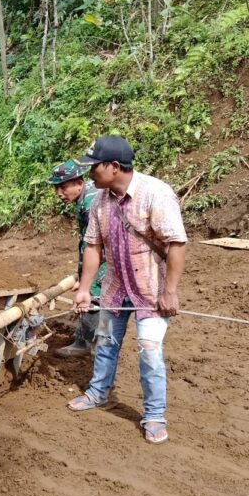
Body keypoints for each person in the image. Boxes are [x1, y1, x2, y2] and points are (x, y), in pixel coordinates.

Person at [68, 136, 187, 445]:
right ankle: (98, 393)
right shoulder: (99, 202)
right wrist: (84, 289)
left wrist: (170, 291)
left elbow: (176, 244)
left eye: (94, 167)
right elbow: (93, 246)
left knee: (149, 349)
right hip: (115, 290)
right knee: (106, 342)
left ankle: (154, 415)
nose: (90, 173)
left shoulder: (156, 195)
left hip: (151, 291)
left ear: (114, 167)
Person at [46, 159, 106, 358]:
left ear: (78, 182)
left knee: (92, 297)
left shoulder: (91, 203)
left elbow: (96, 245)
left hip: (105, 261)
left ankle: (87, 345)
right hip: (98, 258)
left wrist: (87, 281)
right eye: (56, 189)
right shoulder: (86, 196)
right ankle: (85, 340)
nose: (59, 193)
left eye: (63, 187)